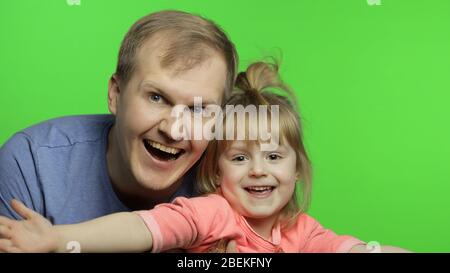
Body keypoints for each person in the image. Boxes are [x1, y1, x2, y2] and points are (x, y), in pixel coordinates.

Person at [0, 62, 409, 253]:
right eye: (239, 159)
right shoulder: (212, 214)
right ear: (214, 171)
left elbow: (357, 250)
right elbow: (144, 228)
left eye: (273, 155)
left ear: (297, 170)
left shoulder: (302, 232)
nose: (259, 170)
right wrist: (61, 239)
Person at [0, 10, 237, 224]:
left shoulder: (238, 178)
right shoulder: (31, 163)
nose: (174, 130)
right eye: (156, 97)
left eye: (197, 109)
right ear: (116, 94)